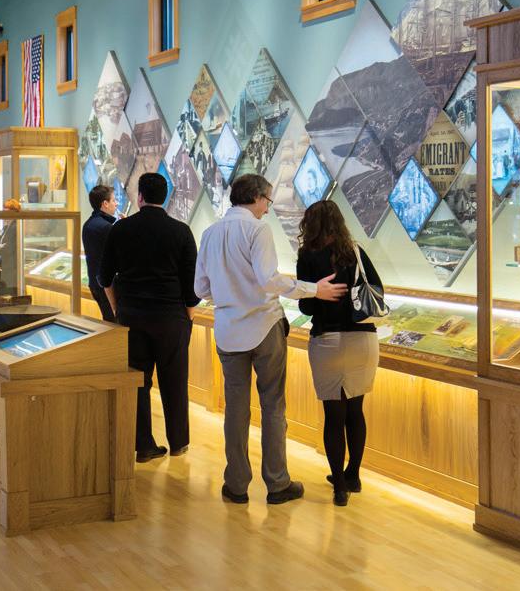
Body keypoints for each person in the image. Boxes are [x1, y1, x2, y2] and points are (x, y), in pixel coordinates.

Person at [194, 174, 347, 506]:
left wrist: (230, 297)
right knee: (273, 406)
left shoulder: (210, 233)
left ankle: (236, 484)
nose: (267, 208)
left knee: (235, 409)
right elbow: (269, 280)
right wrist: (313, 289)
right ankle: (277, 483)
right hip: (264, 326)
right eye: (267, 201)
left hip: (228, 331)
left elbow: (200, 288)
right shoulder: (257, 230)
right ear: (255, 197)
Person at [98, 172, 199, 462]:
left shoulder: (120, 229)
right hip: (171, 316)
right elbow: (191, 284)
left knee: (137, 381)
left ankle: (143, 445)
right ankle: (178, 442)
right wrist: (188, 316)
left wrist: (117, 308)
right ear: (165, 197)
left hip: (132, 316)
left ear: (139, 196)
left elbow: (104, 277)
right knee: (175, 381)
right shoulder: (181, 231)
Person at [295, 199, 383, 507]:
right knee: (356, 411)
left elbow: (306, 306)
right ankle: (353, 475)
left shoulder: (307, 255)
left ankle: (339, 488)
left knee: (334, 416)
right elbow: (377, 288)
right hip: (363, 340)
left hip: (328, 340)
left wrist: (318, 294)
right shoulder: (354, 251)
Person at [82, 184, 117, 321]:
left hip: (94, 283)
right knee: (115, 324)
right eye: (113, 200)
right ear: (105, 204)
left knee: (108, 321)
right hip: (106, 286)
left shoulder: (88, 224)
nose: (116, 203)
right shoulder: (106, 227)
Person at [0, 198, 21, 298]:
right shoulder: (5, 228)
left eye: (7, 212)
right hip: (2, 269)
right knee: (1, 296)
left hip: (10, 272)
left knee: (8, 297)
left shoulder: (16, 227)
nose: (4, 215)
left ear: (14, 213)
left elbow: (8, 249)